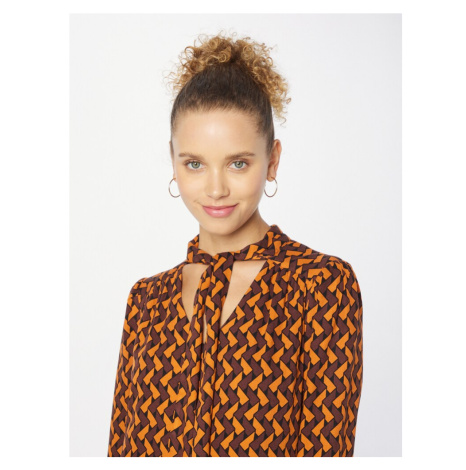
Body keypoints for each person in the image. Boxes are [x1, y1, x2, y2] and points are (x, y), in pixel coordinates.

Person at [107, 31, 363, 457]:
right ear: (173, 161)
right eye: (194, 164)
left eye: (238, 163)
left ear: (272, 160)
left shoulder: (320, 286)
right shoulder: (146, 301)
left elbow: (328, 449)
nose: (216, 188)